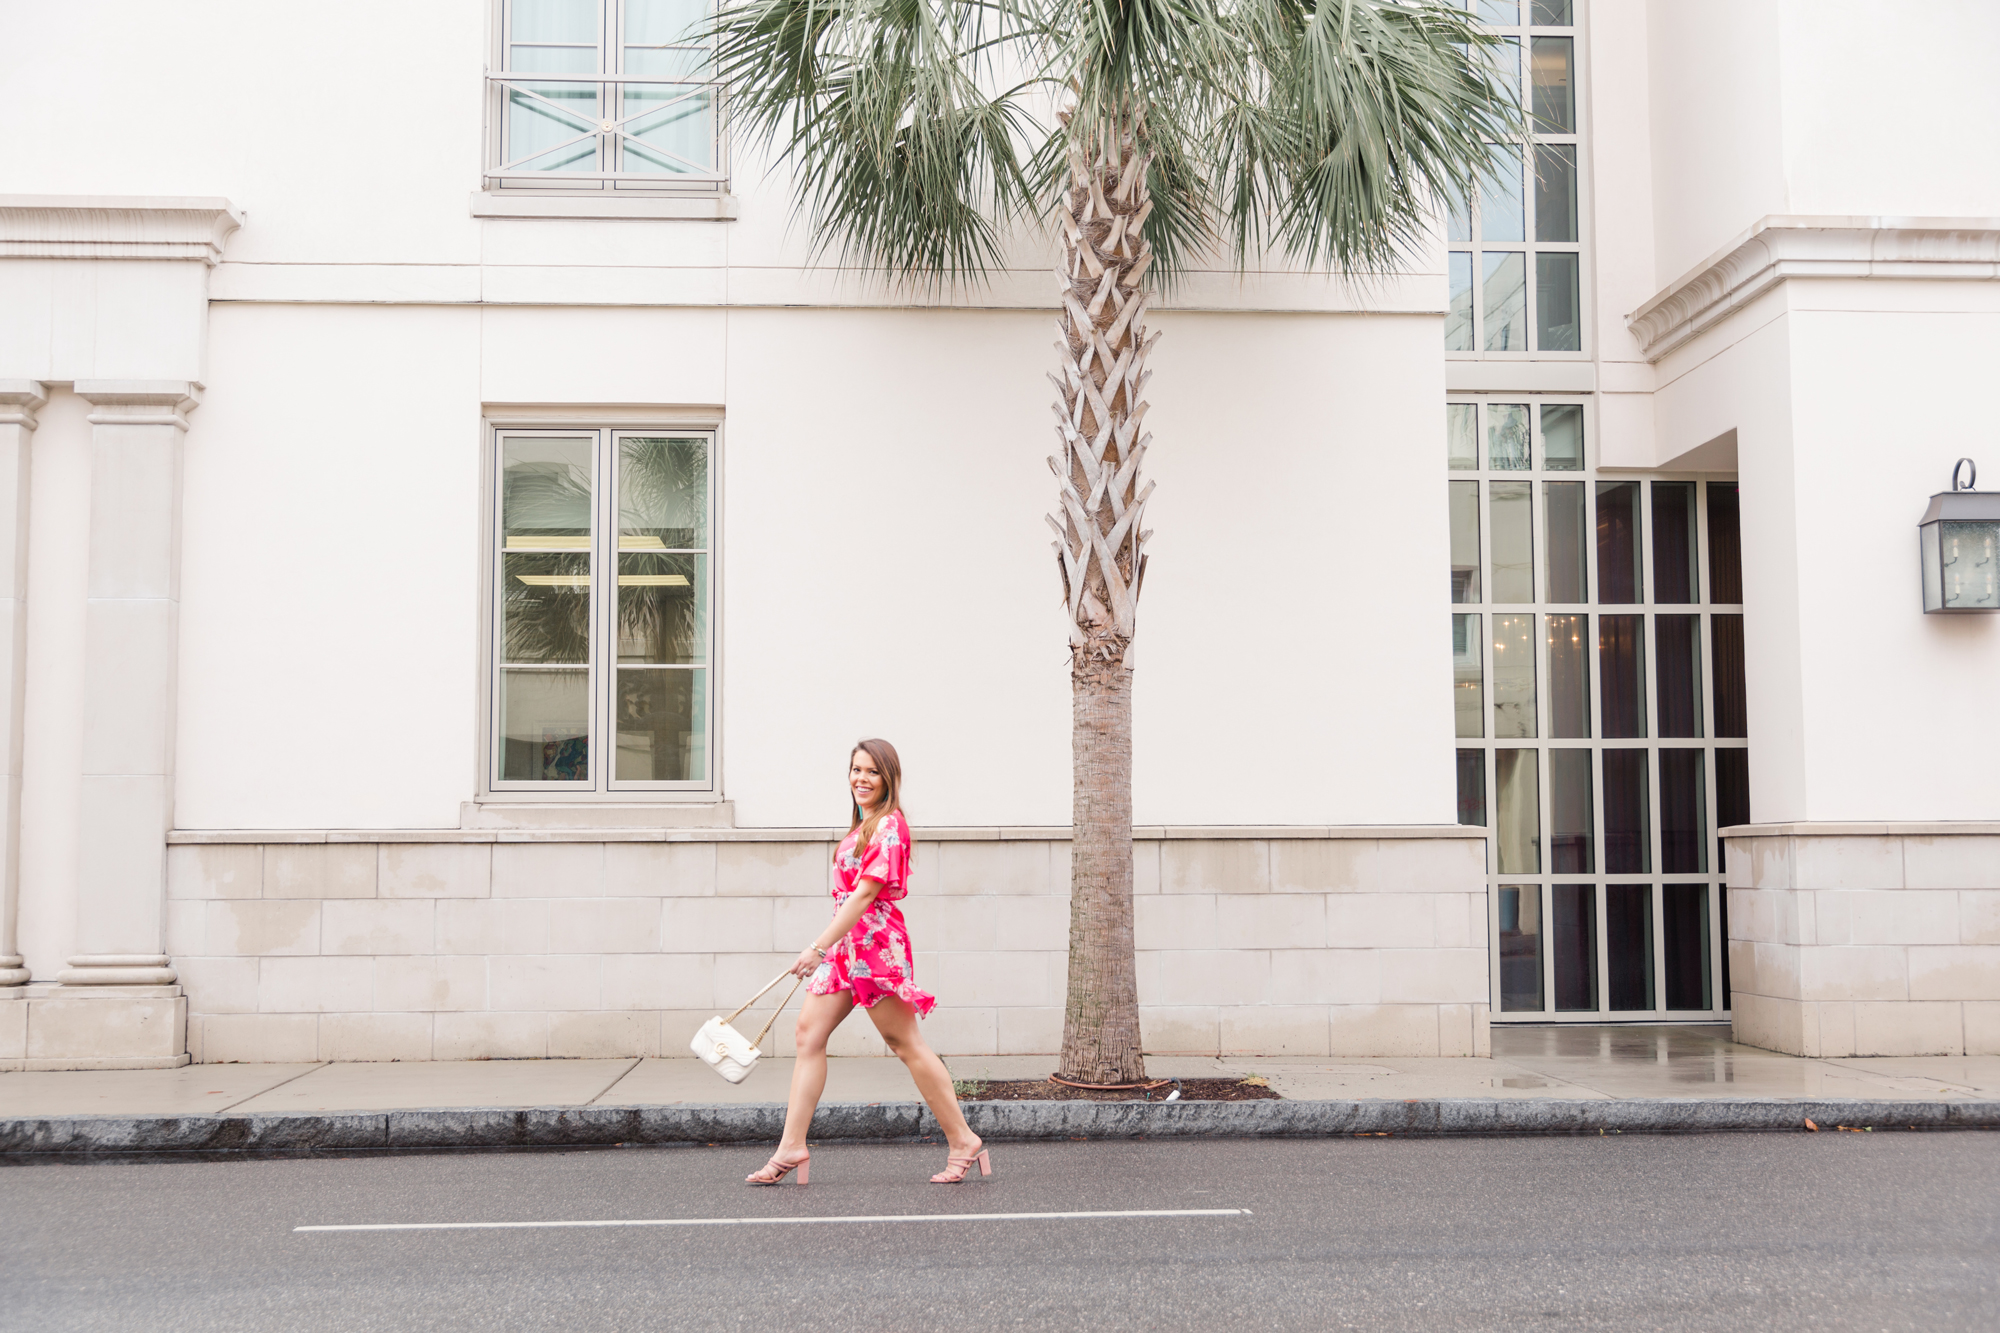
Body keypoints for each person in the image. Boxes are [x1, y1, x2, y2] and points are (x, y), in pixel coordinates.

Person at [746, 738, 991, 1187]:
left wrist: (817, 947)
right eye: (856, 770)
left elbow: (864, 895)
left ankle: (963, 1140)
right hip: (846, 946)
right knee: (808, 1035)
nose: (861, 778)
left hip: (874, 945)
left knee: (905, 1043)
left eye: (872, 772)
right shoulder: (865, 825)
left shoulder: (890, 826)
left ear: (889, 779)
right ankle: (791, 1146)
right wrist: (830, 948)